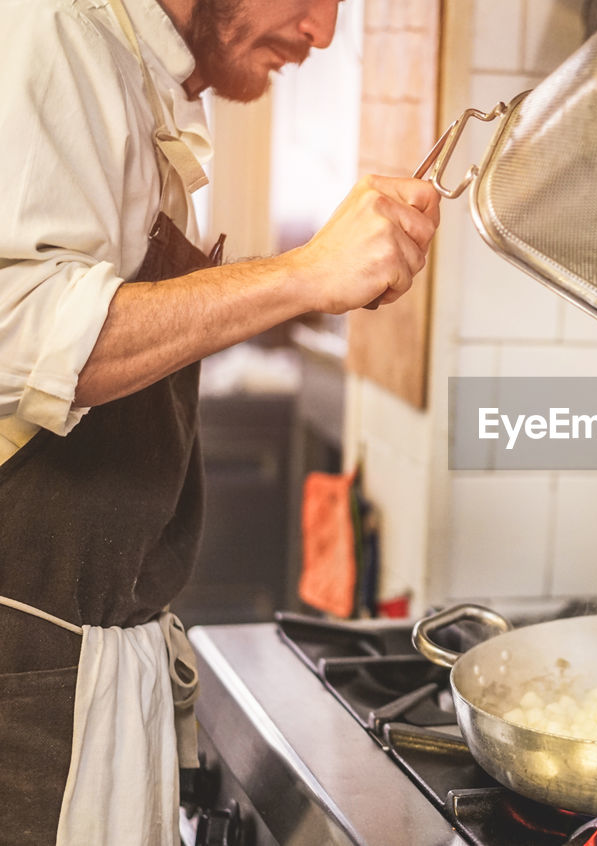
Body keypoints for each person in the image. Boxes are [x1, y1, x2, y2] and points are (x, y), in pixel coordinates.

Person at [0, 0, 440, 842]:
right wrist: (305, 275)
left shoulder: (142, 76)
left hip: (87, 674)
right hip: (29, 673)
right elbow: (17, 329)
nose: (324, 32)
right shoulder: (53, 31)